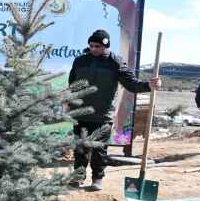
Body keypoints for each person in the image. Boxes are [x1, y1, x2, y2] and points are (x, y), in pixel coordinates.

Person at [67, 29, 161, 190]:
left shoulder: (115, 62)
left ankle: (97, 179)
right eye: (91, 45)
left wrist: (148, 86)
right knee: (80, 149)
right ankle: (77, 177)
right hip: (81, 113)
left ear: (106, 46)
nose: (93, 49)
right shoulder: (80, 61)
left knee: (99, 150)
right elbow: (72, 83)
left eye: (97, 46)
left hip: (103, 115)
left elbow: (131, 84)